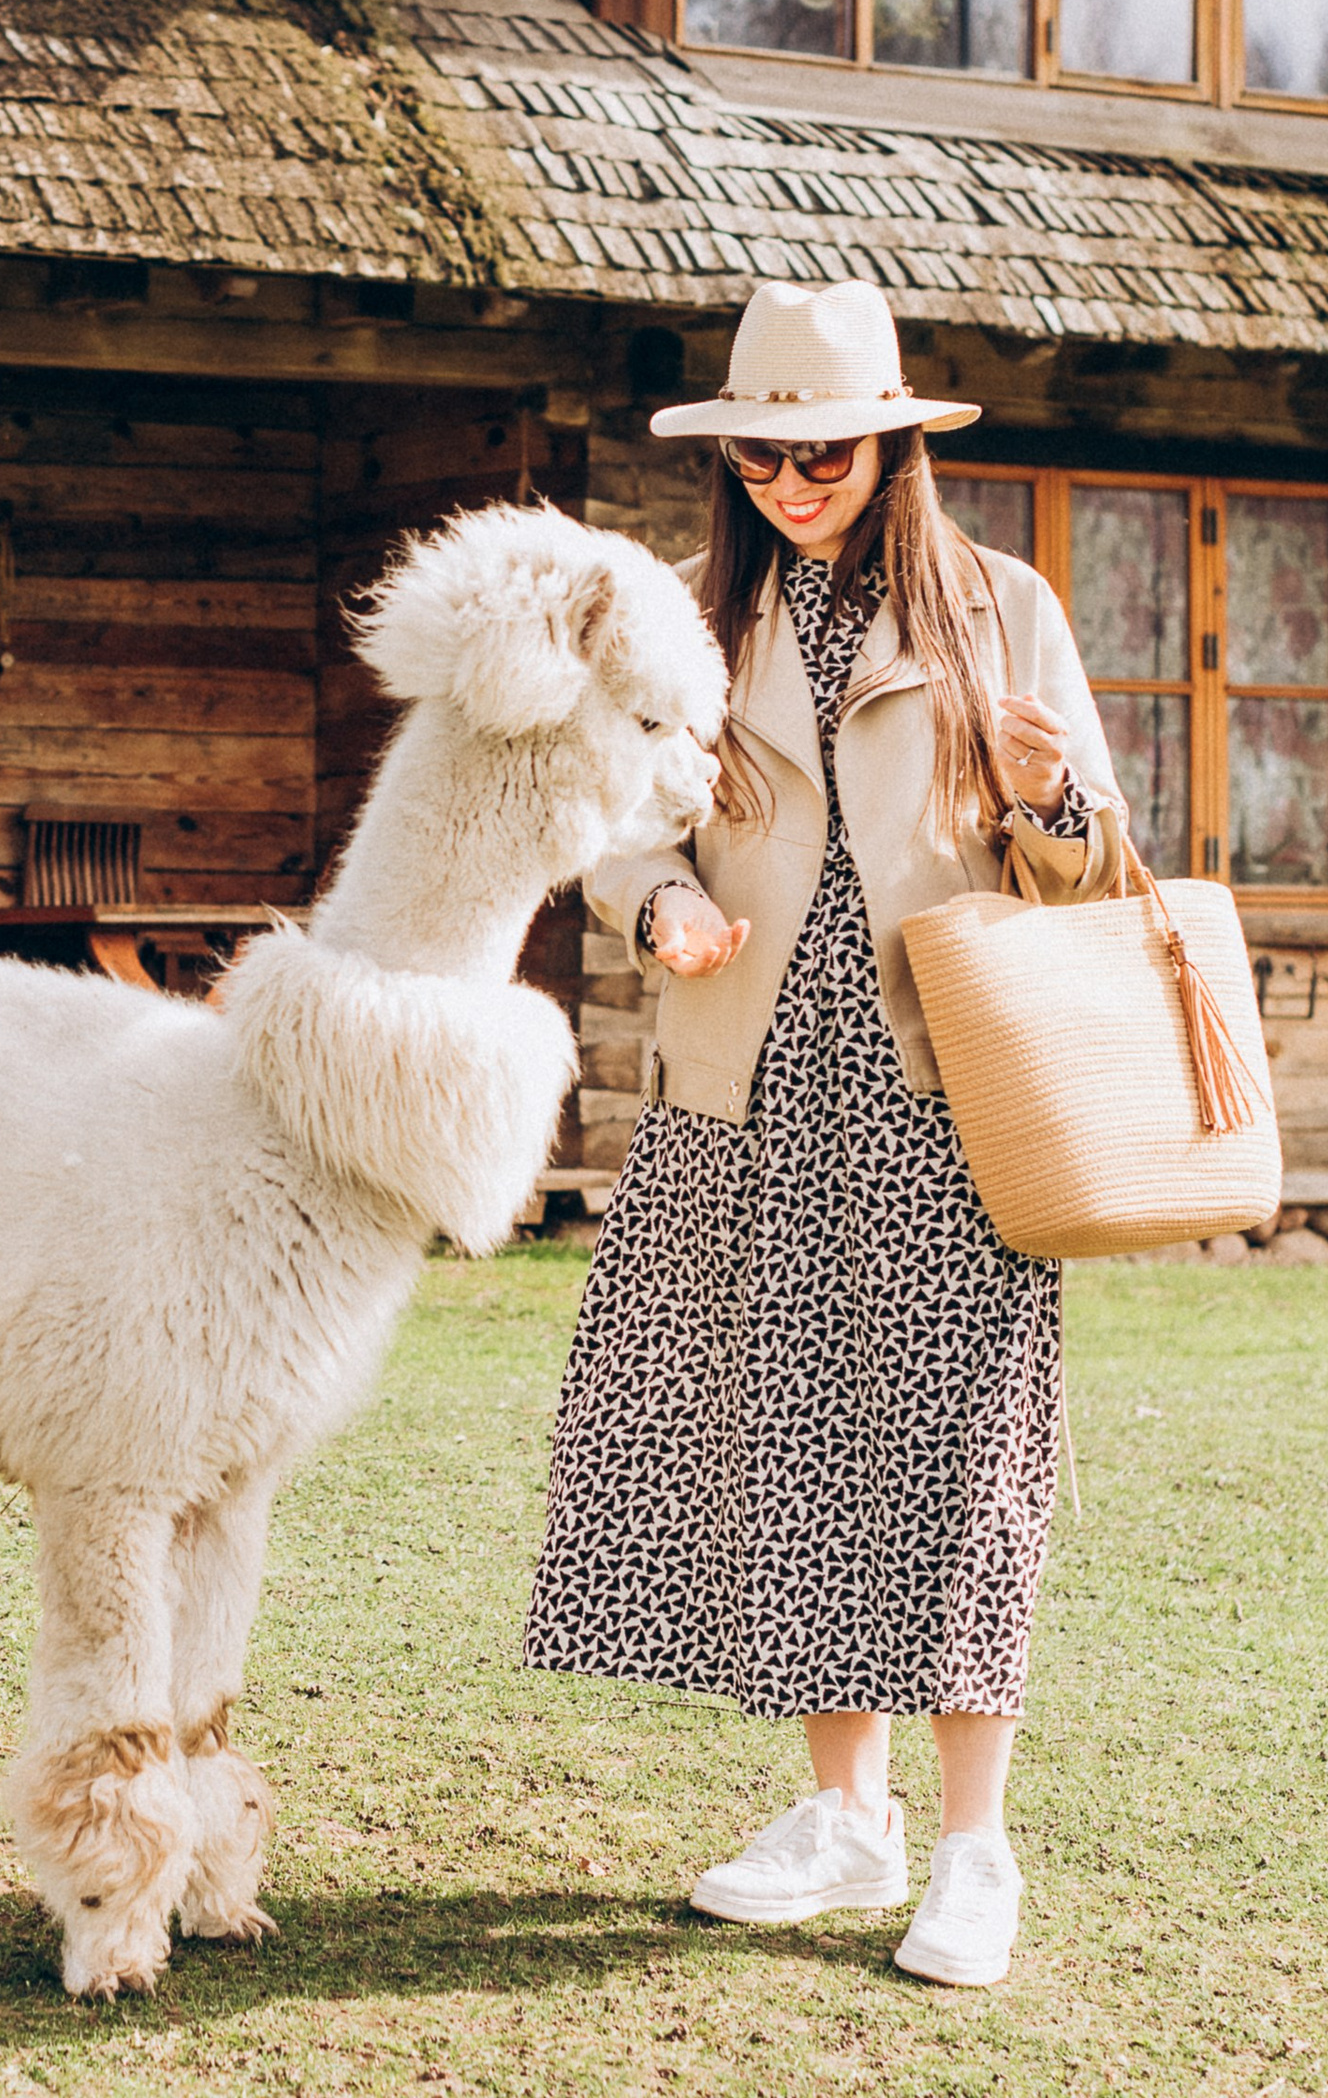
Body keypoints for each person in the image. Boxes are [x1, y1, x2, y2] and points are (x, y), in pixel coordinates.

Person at [523, 278, 1127, 1989]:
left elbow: (1087, 868)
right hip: (746, 1092)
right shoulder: (690, 631)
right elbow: (616, 828)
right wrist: (656, 916)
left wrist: (1050, 802)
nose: (795, 480)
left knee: (959, 1470)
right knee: (782, 1452)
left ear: (890, 446)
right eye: (766, 453)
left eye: (827, 450)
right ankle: (845, 1821)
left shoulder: (1002, 612)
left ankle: (972, 1850)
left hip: (954, 1096)